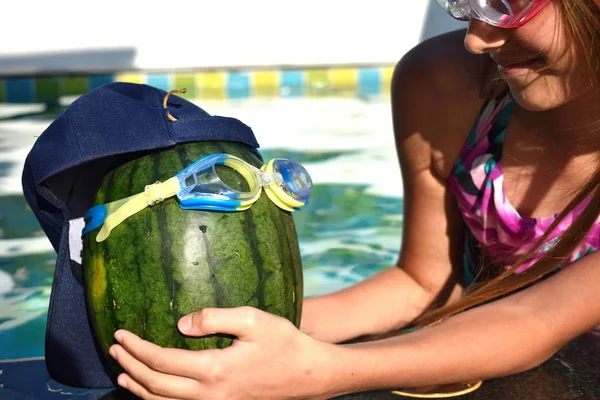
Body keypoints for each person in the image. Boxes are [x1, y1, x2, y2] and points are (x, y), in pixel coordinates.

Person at [106, 1, 600, 398]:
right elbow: (423, 282)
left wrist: (323, 371)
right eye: (464, 2)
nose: (476, 38)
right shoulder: (451, 82)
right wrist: (222, 333)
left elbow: (539, 319)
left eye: (506, 3)